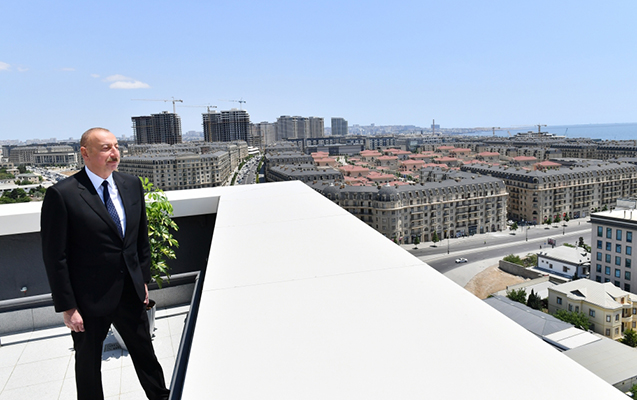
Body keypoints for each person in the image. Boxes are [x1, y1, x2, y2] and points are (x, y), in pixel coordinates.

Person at [41, 128, 170, 400]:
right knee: (88, 365)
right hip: (88, 301)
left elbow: (139, 239)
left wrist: (142, 280)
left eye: (116, 146)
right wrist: (68, 307)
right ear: (85, 153)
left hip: (130, 292)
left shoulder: (131, 184)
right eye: (105, 148)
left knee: (145, 354)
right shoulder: (62, 194)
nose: (114, 153)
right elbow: (55, 257)